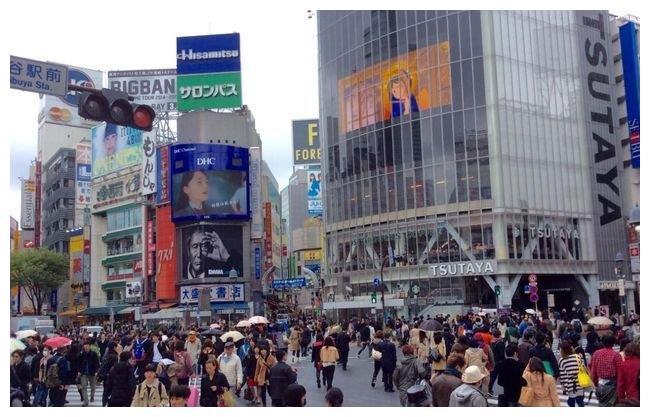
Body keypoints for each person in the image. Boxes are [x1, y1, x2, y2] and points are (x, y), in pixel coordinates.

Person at [590, 333, 623, 406]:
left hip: (600, 384)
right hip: (612, 386)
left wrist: (595, 384)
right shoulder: (616, 355)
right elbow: (620, 374)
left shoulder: (596, 353)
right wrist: (620, 389)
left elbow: (593, 372)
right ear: (613, 343)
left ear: (602, 342)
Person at [557, 340, 585, 407]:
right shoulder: (577, 357)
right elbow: (583, 368)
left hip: (570, 384)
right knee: (580, 400)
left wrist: (564, 385)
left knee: (571, 401)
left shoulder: (562, 360)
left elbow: (562, 375)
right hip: (580, 381)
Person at [77, 339, 100, 406]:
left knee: (92, 386)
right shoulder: (81, 354)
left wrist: (96, 371)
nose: (86, 347)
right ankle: (86, 401)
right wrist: (78, 371)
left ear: (90, 346)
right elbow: (78, 363)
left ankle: (92, 397)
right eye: (85, 346)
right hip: (83, 372)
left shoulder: (94, 354)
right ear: (83, 346)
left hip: (92, 372)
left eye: (87, 346)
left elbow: (97, 363)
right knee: (84, 387)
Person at [97, 341, 119, 406]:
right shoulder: (114, 356)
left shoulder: (106, 355)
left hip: (105, 376)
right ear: (114, 347)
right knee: (111, 392)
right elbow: (114, 367)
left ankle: (104, 404)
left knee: (105, 392)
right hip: (111, 377)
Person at [488, 329, 506, 396]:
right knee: (501, 377)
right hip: (499, 362)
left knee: (492, 376)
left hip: (493, 360)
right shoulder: (500, 343)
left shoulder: (492, 342)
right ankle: (505, 391)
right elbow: (502, 354)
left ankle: (489, 389)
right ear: (499, 335)